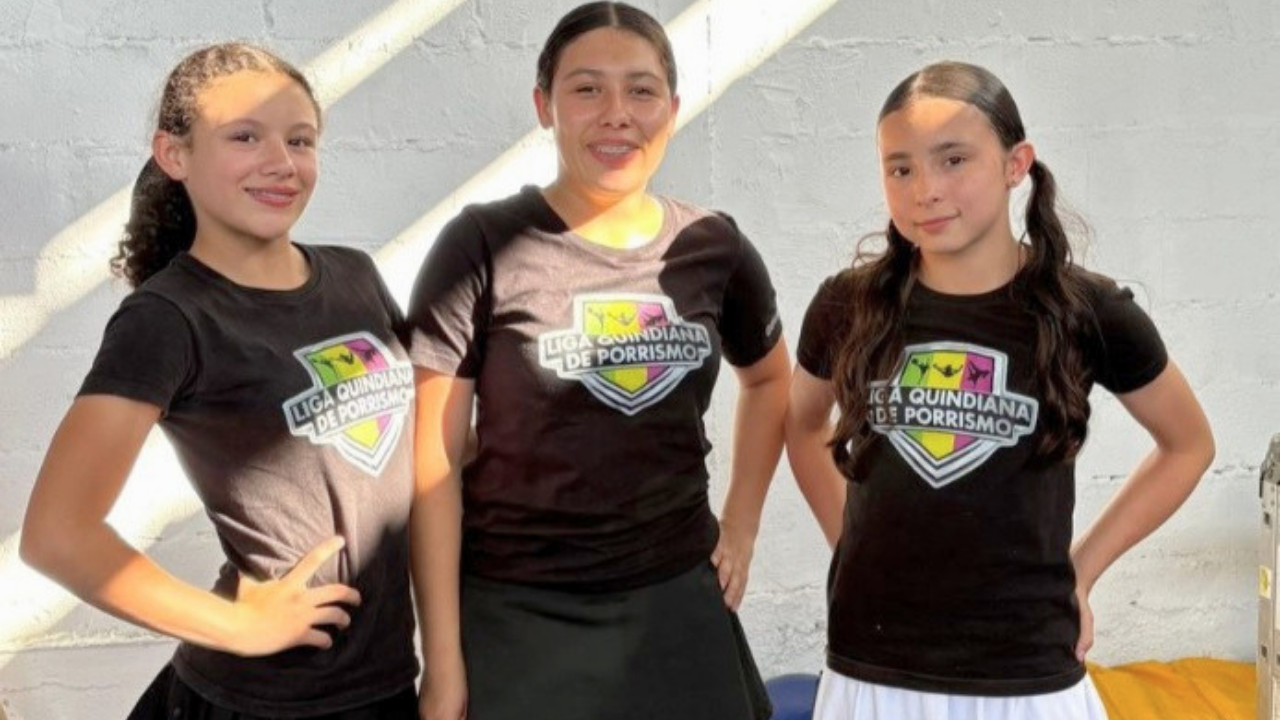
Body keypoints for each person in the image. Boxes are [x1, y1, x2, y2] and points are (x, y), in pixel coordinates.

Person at [784, 61, 1215, 719]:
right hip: (872, 666)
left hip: (1027, 674)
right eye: (900, 168)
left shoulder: (1087, 310)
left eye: (953, 160)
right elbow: (800, 423)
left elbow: (1188, 444)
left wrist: (1083, 569)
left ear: (1017, 164)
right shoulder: (848, 304)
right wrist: (848, 538)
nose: (926, 189)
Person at [406, 3, 790, 719]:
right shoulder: (480, 245)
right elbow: (431, 465)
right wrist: (444, 658)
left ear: (672, 109)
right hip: (521, 612)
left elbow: (769, 380)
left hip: (678, 600)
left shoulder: (714, 245)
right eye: (587, 89)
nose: (617, 113)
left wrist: (740, 524)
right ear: (544, 106)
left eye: (641, 90)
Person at [20, 43, 420, 719]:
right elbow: (56, 533)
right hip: (263, 701)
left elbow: (425, 458)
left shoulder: (355, 276)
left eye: (300, 139)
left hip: (383, 684)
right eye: (245, 137)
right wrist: (235, 624)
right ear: (175, 156)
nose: (281, 163)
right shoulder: (169, 317)